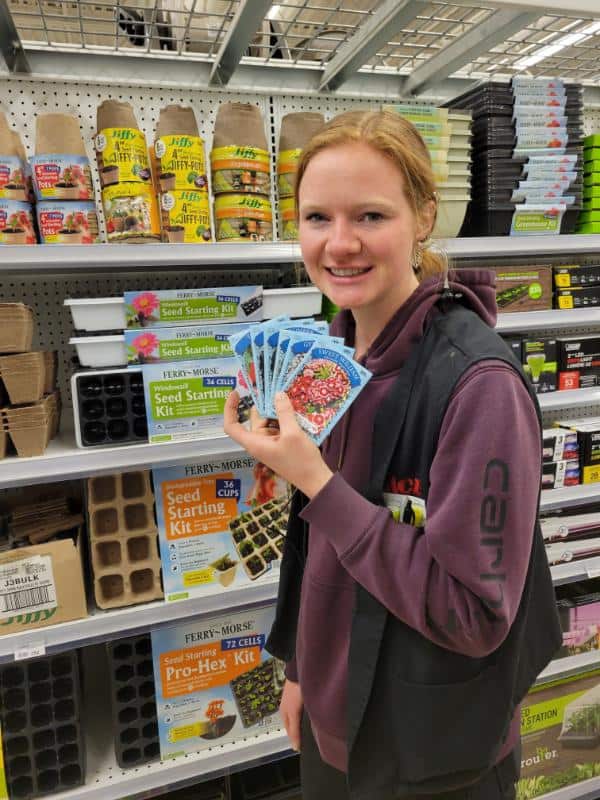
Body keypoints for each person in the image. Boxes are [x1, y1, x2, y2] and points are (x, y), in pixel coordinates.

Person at [223, 110, 561, 800]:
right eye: (317, 217)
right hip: (335, 730)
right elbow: (320, 548)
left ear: (424, 216)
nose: (340, 243)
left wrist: (318, 484)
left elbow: (473, 615)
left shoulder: (480, 387)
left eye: (370, 216)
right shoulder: (330, 356)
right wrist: (300, 668)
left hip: (436, 759)